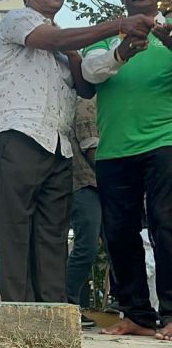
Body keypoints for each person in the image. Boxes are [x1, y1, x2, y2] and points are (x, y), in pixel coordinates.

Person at [0, 0, 149, 303]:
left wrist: (116, 52)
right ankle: (18, 313)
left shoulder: (65, 39)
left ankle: (51, 311)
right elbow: (54, 39)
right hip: (18, 135)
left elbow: (85, 89)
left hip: (59, 146)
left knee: (54, 234)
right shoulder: (18, 19)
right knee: (16, 230)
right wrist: (119, 24)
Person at [81, 0, 171, 338]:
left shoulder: (169, 31)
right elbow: (89, 73)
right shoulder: (105, 35)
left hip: (165, 143)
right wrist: (121, 52)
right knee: (119, 232)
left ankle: (171, 313)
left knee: (167, 225)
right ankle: (137, 314)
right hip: (114, 149)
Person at [67, 97, 101, 328]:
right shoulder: (86, 102)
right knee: (86, 247)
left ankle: (124, 304)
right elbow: (91, 147)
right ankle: (68, 303)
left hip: (99, 184)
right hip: (84, 182)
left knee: (115, 245)